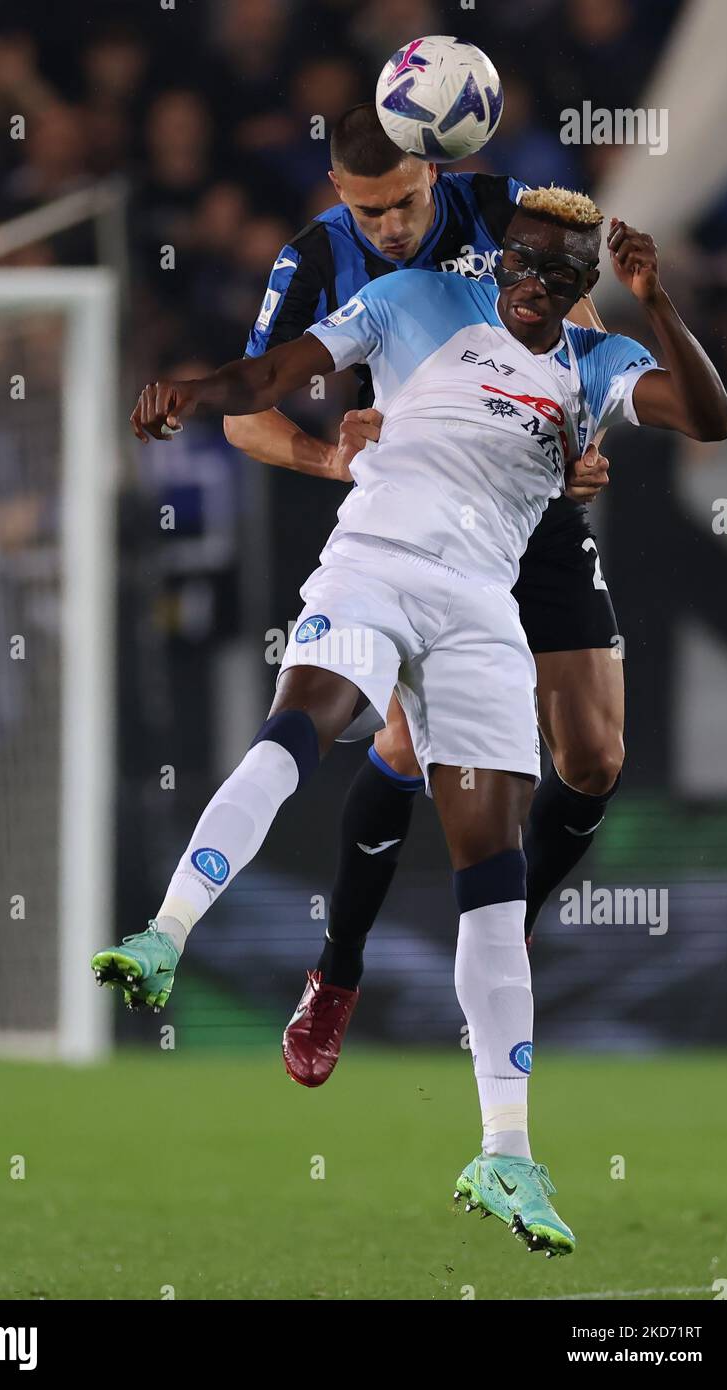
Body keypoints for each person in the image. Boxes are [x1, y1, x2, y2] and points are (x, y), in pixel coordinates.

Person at [93, 189, 727, 1255]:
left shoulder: (592, 359)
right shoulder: (411, 299)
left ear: (582, 288)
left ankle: (505, 1151)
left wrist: (655, 301)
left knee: (492, 869)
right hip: (374, 568)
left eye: (559, 278)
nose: (534, 288)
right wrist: (192, 393)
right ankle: (165, 936)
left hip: (483, 608)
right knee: (301, 729)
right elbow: (272, 375)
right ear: (496, 260)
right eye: (520, 265)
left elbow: (706, 417)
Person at [223, 106, 617, 1082]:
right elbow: (241, 415)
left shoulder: (500, 210)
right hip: (424, 528)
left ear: (433, 173)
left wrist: (583, 426)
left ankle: (504, 931)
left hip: (531, 509)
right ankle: (335, 975)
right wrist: (331, 458)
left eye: (400, 203)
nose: (387, 226)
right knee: (401, 746)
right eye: (366, 211)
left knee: (595, 758)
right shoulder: (315, 257)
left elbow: (583, 320)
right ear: (337, 196)